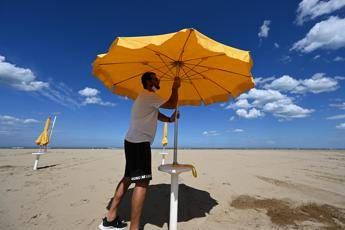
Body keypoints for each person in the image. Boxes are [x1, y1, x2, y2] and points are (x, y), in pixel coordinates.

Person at [99, 72, 181, 230]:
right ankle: (134, 228)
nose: (159, 80)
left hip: (131, 141)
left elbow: (156, 114)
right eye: (156, 78)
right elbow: (172, 103)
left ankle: (110, 218)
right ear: (149, 81)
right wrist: (175, 87)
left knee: (128, 178)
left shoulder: (145, 97)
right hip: (139, 143)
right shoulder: (149, 95)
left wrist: (170, 120)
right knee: (142, 183)